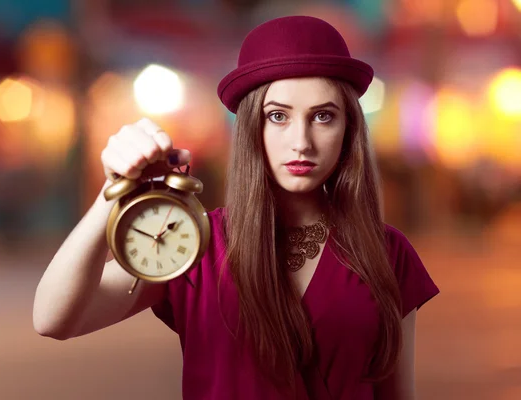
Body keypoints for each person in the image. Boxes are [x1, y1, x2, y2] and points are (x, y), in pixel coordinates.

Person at [33, 15, 440, 399]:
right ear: (250, 128)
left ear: (348, 129)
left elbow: (395, 395)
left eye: (323, 116)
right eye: (278, 116)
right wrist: (114, 191)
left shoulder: (388, 253)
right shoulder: (193, 244)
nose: (301, 141)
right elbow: (54, 318)